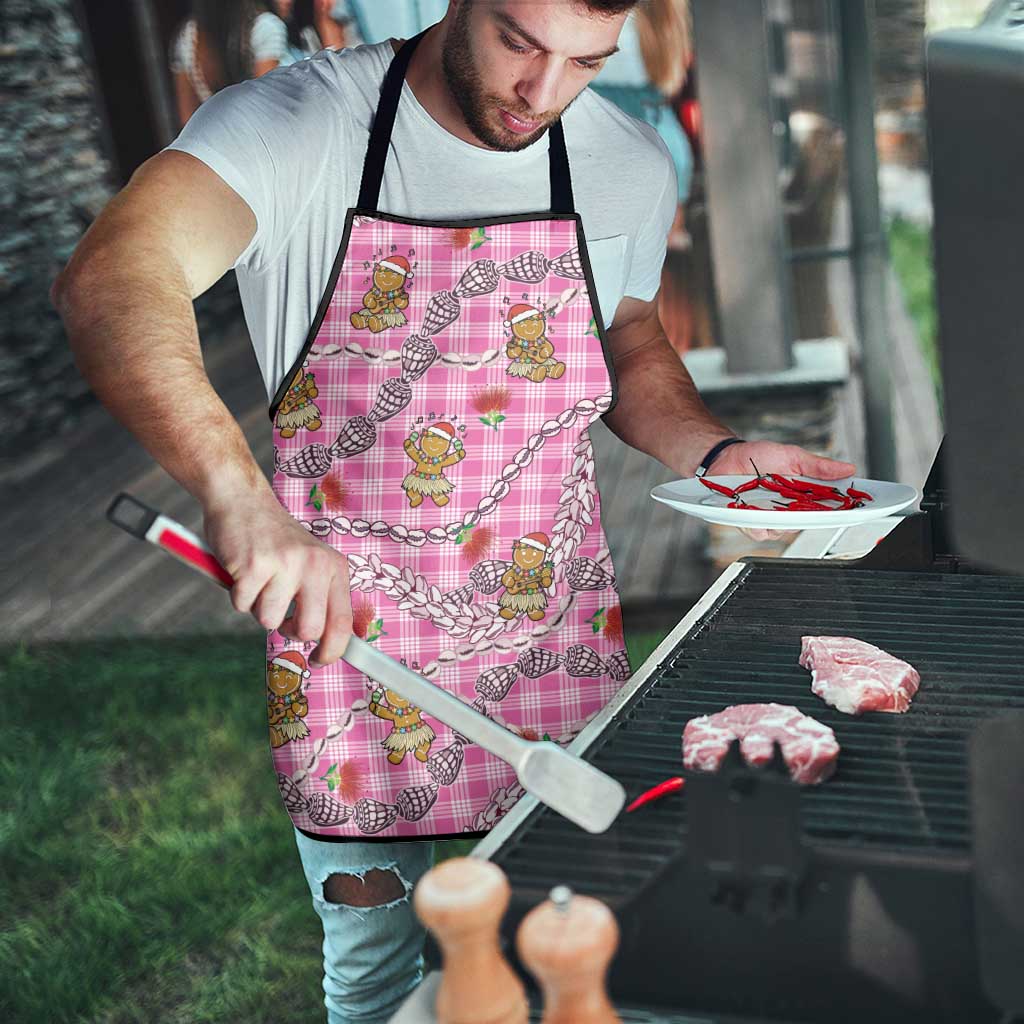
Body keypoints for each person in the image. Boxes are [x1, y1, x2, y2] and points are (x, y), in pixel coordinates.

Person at [52, 2, 856, 1021]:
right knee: (378, 975)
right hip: (352, 656)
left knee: (585, 950)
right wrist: (237, 495)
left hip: (549, 636)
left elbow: (628, 337)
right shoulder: (298, 125)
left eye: (585, 62)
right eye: (520, 42)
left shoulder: (624, 161)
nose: (543, 93)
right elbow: (114, 275)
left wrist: (716, 450)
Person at [169, 0, 289, 127]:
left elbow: (187, 120)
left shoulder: (188, 37)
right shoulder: (265, 27)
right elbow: (266, 107)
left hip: (216, 135)